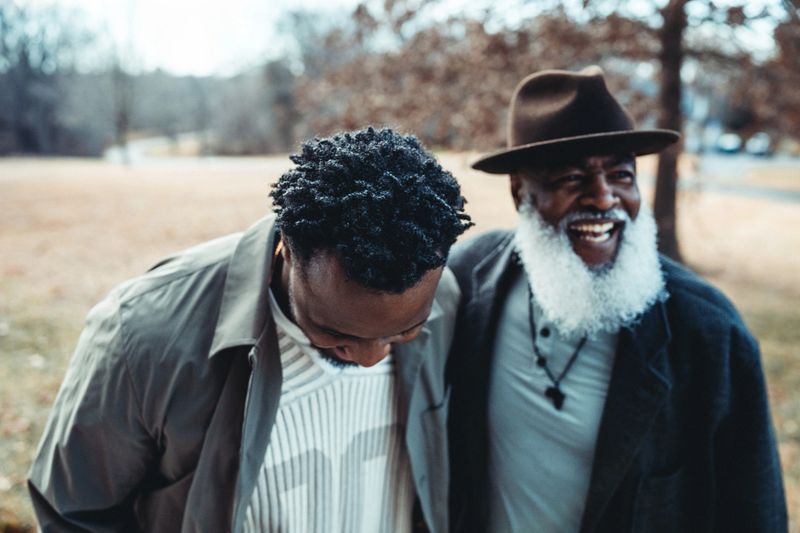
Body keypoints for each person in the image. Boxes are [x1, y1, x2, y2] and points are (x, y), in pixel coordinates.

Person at [28, 127, 473, 533]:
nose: (371, 356)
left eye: (404, 332)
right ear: (287, 250)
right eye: (337, 334)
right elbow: (76, 514)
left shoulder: (446, 298)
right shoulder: (141, 333)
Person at [446, 67, 787, 532]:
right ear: (521, 191)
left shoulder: (707, 331)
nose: (604, 199)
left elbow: (754, 512)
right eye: (573, 178)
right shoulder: (470, 281)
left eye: (621, 175)